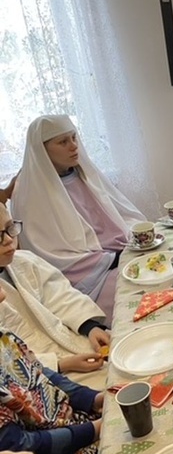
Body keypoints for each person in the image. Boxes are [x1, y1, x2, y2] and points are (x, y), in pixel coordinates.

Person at [11, 115, 146, 321]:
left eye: (74, 138)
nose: (73, 146)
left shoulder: (82, 172)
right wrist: (112, 258)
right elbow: (46, 255)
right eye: (63, 142)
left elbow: (120, 212)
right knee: (141, 288)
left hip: (116, 254)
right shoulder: (30, 190)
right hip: (88, 277)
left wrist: (135, 239)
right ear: (42, 149)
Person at [0, 202, 109, 389]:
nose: (9, 240)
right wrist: (60, 364)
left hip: (75, 340)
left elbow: (61, 296)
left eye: (10, 228)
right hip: (44, 375)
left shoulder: (24, 261)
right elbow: (6, 360)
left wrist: (90, 327)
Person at [0, 330, 103, 454]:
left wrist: (93, 399)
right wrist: (94, 430)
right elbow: (20, 446)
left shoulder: (4, 338)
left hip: (79, 425)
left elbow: (41, 374)